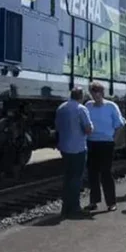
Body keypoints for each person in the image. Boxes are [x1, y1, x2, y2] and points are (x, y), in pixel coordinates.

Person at [84, 81, 126, 211]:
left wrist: (113, 139)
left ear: (102, 93)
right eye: (93, 93)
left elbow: (120, 125)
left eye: (97, 92)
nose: (95, 95)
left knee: (106, 173)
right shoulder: (88, 106)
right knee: (92, 173)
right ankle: (94, 201)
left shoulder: (111, 106)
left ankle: (111, 202)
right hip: (91, 142)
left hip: (106, 143)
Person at [54, 87, 93, 218]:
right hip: (78, 148)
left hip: (64, 147)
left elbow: (57, 127)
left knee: (67, 177)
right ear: (81, 96)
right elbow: (88, 129)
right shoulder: (81, 109)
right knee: (76, 177)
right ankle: (75, 208)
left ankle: (65, 207)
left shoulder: (61, 108)